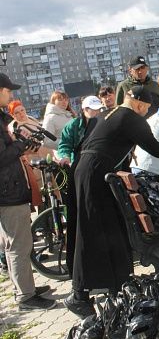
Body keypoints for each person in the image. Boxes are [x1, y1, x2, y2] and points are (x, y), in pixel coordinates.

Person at [65, 86, 159, 318]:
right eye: (146, 108)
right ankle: (78, 295)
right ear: (138, 104)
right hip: (95, 174)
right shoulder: (131, 118)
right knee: (92, 231)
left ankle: (118, 285)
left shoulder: (107, 113)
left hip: (86, 171)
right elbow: (155, 150)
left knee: (107, 229)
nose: (145, 113)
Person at [0, 73, 55, 311]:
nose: (11, 94)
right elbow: (2, 157)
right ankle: (25, 296)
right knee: (18, 244)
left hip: (9, 188)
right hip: (7, 192)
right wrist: (21, 145)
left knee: (14, 243)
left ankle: (24, 287)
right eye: (8, 90)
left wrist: (21, 142)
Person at [57, 95, 103, 277]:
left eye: (98, 109)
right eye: (92, 109)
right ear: (84, 110)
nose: (96, 112)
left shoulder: (102, 122)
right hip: (79, 168)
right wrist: (65, 156)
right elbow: (64, 145)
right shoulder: (73, 126)